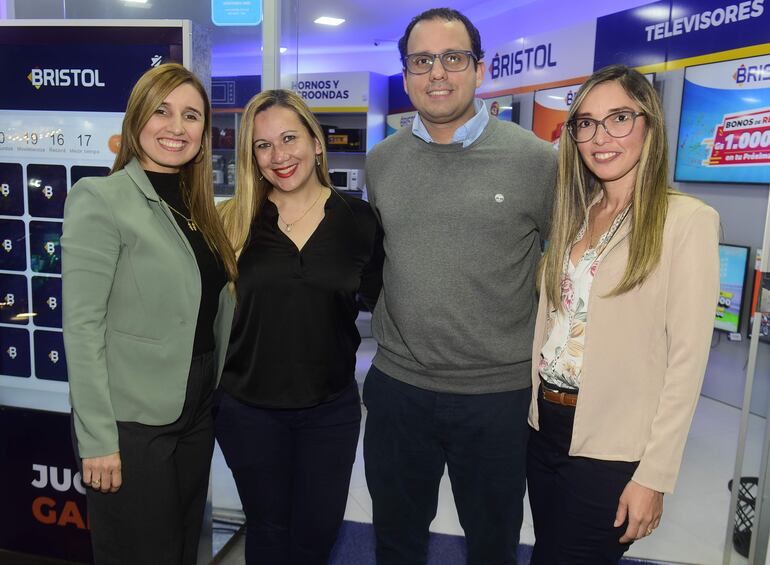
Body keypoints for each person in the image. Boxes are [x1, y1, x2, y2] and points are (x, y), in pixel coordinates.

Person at [363, 8, 557, 565]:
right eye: (422, 60)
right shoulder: (382, 161)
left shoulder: (535, 160)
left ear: (479, 68)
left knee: (493, 546)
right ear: (406, 74)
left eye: (453, 58)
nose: (438, 73)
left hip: (498, 397)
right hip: (399, 389)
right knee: (396, 542)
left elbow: (571, 264)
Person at [527, 64, 720, 564]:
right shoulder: (577, 212)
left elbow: (687, 362)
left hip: (613, 447)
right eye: (586, 123)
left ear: (649, 125)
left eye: (619, 118)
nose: (600, 137)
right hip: (546, 427)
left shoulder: (687, 221)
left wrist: (654, 475)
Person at [62, 63, 237, 564]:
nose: (176, 127)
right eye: (162, 111)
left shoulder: (200, 209)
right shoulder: (101, 198)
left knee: (181, 547)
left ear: (204, 132)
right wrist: (98, 439)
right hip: (131, 420)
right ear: (136, 118)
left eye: (191, 115)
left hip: (196, 406)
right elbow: (82, 327)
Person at [215, 89, 383, 565]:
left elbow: (383, 300)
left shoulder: (359, 220)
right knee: (268, 534)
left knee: (317, 535)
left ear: (316, 142)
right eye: (263, 145)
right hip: (248, 411)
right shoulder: (232, 221)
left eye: (289, 138)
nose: (279, 156)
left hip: (329, 410)